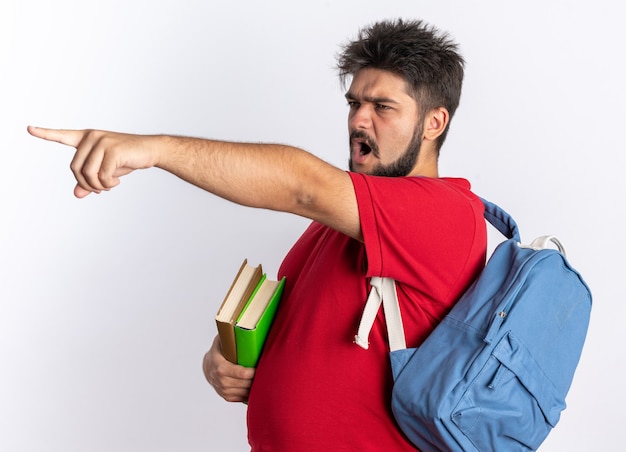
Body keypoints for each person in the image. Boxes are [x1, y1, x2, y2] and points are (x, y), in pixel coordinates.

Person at [29, 18, 487, 451]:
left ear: (434, 123)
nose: (358, 121)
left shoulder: (444, 212)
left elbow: (301, 186)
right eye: (354, 104)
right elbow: (302, 344)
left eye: (382, 107)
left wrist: (154, 149)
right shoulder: (340, 225)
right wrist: (223, 363)